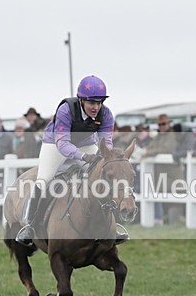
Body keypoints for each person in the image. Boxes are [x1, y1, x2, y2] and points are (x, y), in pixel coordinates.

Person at [15, 74, 127, 245]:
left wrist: (105, 158)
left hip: (85, 144)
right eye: (91, 103)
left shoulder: (106, 114)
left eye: (99, 102)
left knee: (101, 177)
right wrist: (83, 157)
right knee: (44, 179)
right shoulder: (66, 110)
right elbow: (63, 144)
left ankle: (113, 224)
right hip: (55, 144)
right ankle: (29, 225)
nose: (96, 107)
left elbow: (107, 143)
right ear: (81, 100)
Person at [144, 113, 184, 225]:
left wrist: (148, 153)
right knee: (165, 202)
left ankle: (176, 225)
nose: (162, 126)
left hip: (173, 175)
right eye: (160, 124)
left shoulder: (172, 135)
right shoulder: (158, 136)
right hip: (162, 176)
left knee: (174, 202)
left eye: (164, 124)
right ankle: (169, 225)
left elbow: (168, 149)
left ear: (169, 123)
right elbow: (151, 147)